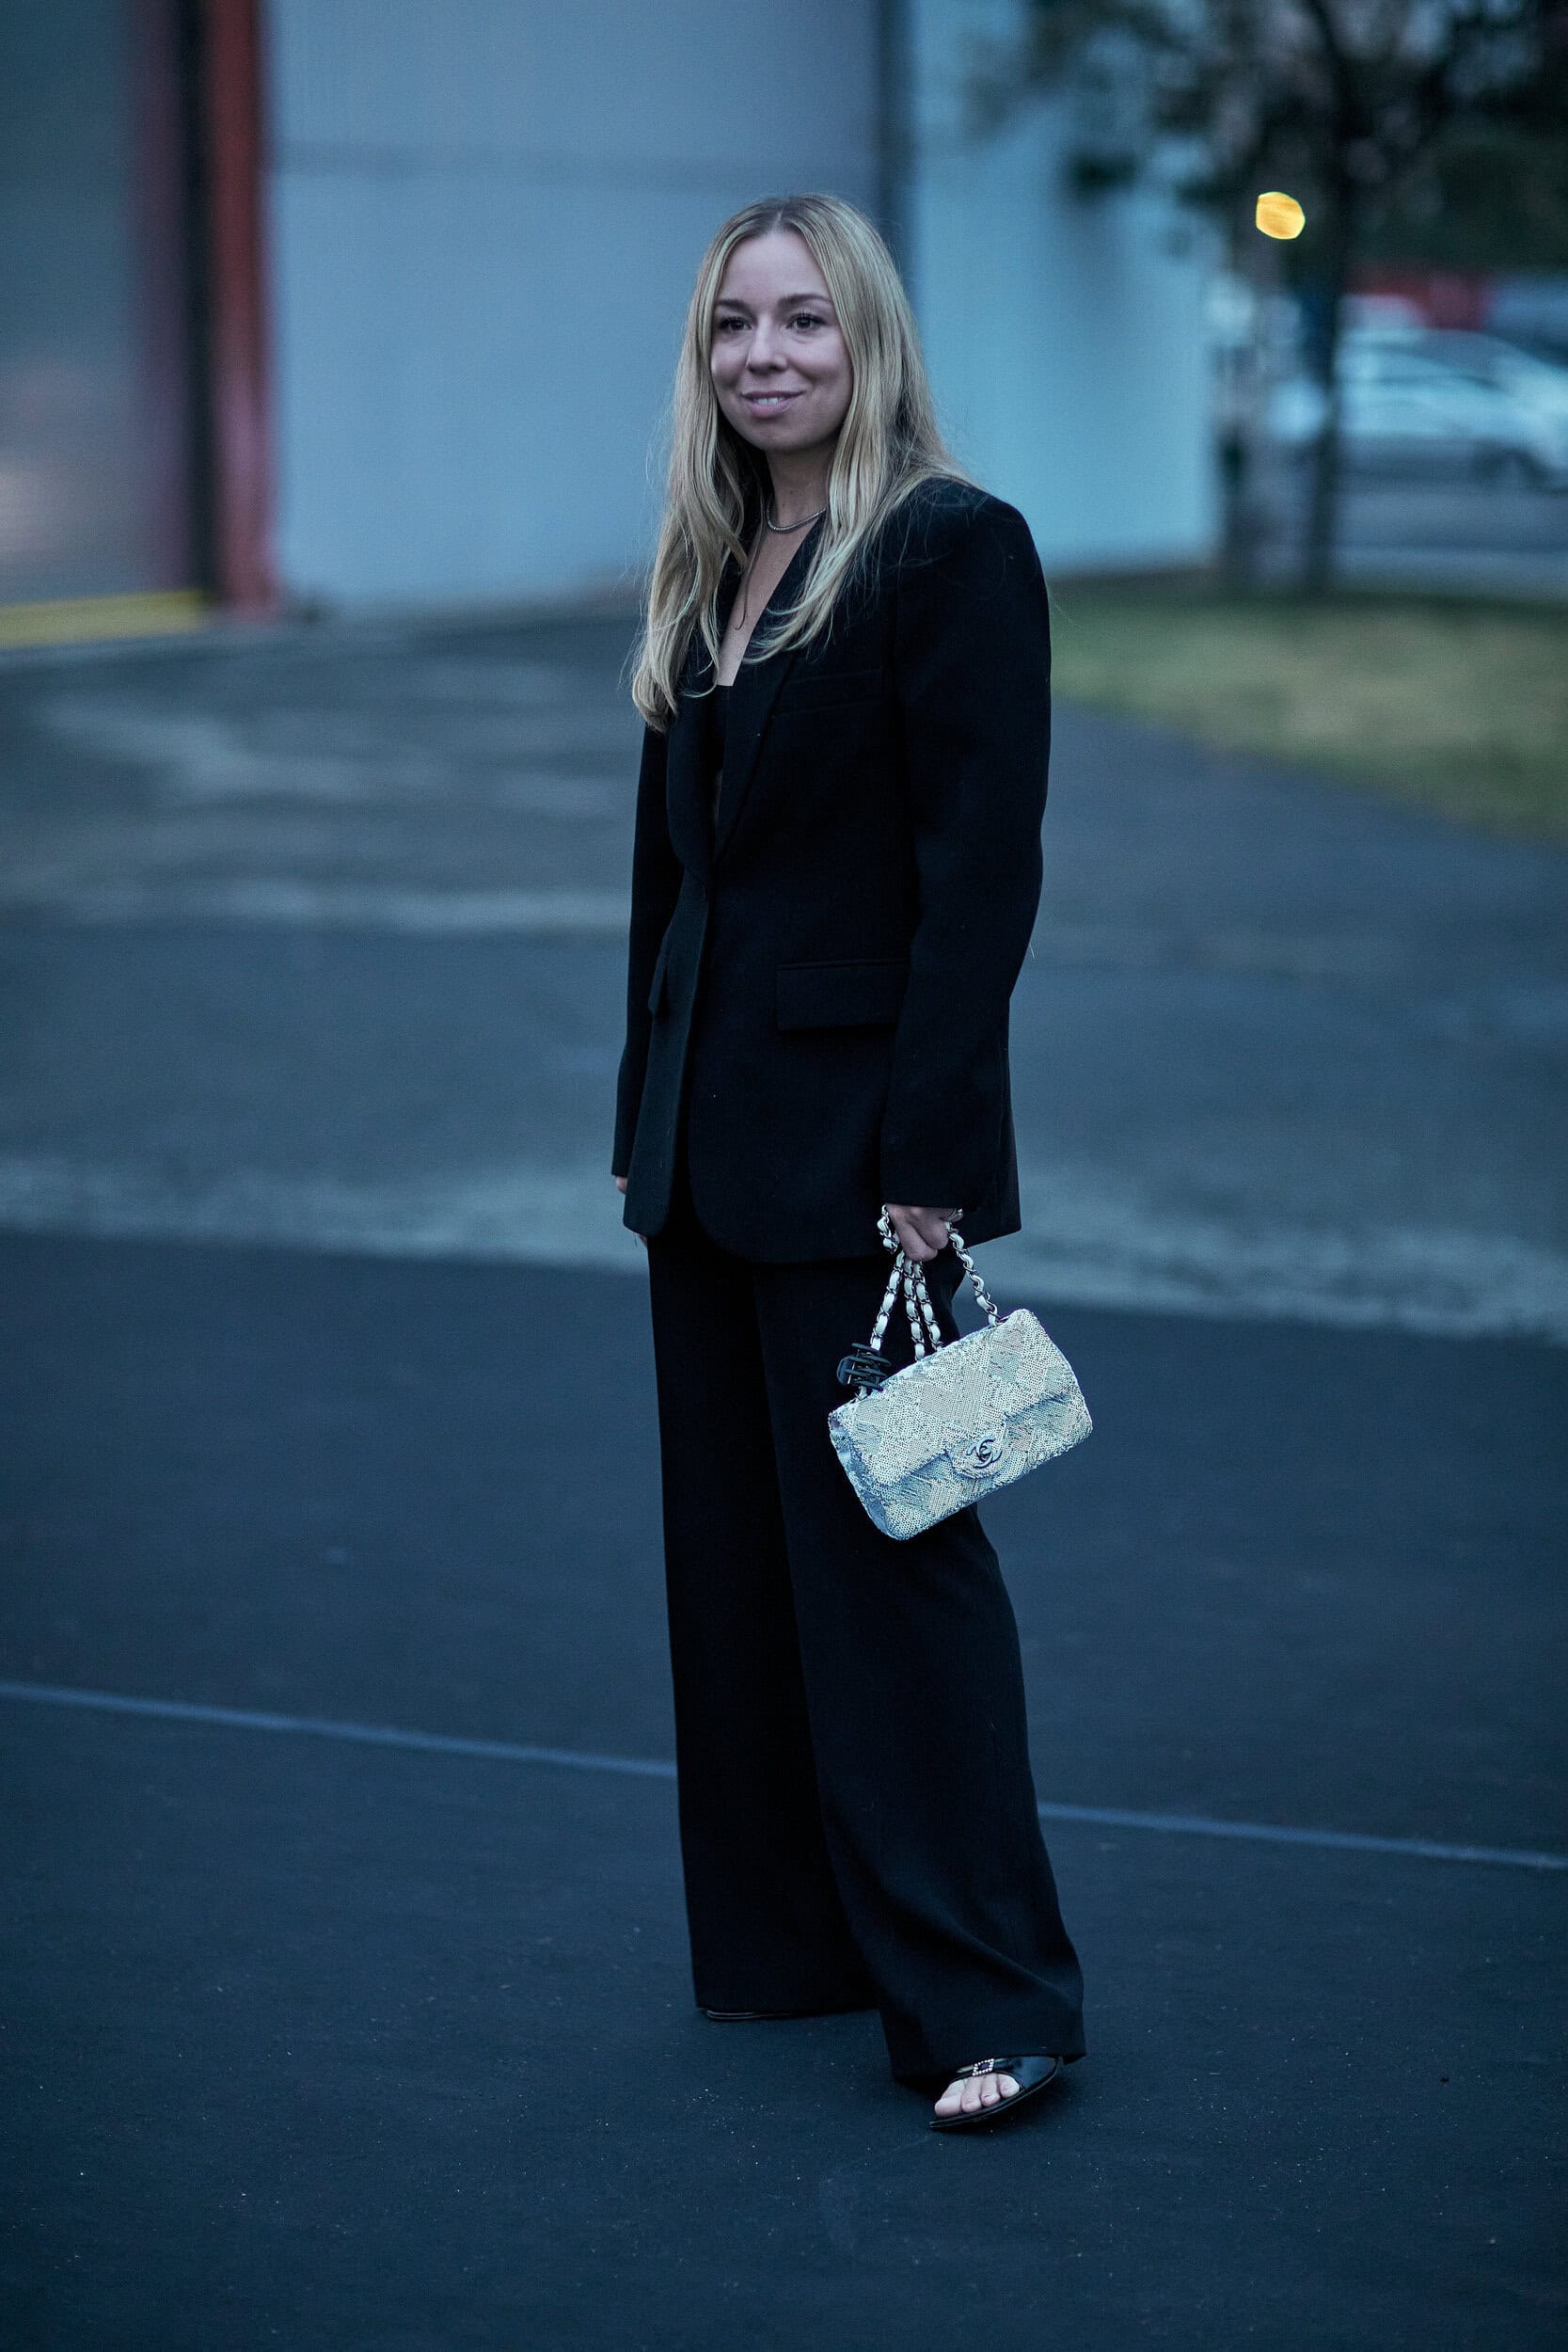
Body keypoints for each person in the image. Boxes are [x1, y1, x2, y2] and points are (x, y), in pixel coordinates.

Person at [611, 192, 1084, 2131]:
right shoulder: (715, 559)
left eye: (804, 320)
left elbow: (981, 878)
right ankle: (796, 1944)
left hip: (860, 1153)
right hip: (705, 1154)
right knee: (736, 1579)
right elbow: (677, 888)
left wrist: (933, 1157)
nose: (766, 356)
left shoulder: (951, 548)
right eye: (735, 325)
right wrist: (641, 1123)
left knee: (896, 1572)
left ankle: (994, 1998)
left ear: (867, 337)